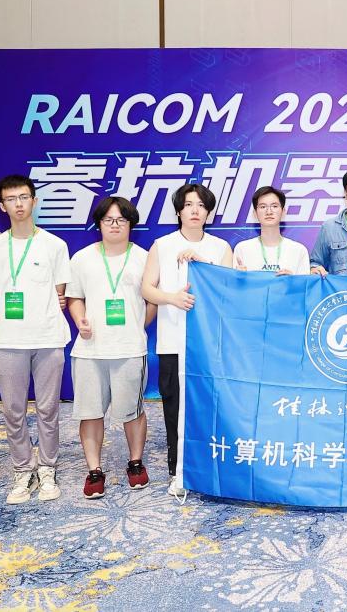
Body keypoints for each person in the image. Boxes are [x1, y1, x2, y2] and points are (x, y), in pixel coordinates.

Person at [0, 174, 71, 503]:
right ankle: (22, 470)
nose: (18, 204)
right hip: (9, 341)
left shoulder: (55, 245)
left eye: (24, 197)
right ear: (2, 206)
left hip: (48, 339)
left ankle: (47, 468)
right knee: (14, 410)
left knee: (48, 409)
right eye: (11, 199)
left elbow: (59, 292)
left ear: (34, 201)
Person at [141, 184, 232, 497]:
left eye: (201, 205)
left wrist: (202, 263)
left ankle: (209, 470)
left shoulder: (221, 248)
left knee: (209, 408)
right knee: (174, 408)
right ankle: (177, 471)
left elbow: (228, 290)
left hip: (209, 346)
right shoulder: (162, 245)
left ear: (209, 213)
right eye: (189, 204)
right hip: (172, 341)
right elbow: (147, 288)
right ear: (178, 211)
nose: (195, 210)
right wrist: (172, 298)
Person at [67, 196, 156, 498]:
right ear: (99, 224)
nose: (115, 225)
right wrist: (80, 319)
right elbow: (74, 297)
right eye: (108, 220)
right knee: (90, 412)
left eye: (121, 220)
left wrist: (136, 326)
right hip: (89, 350)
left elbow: (152, 301)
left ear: (131, 224)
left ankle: (135, 462)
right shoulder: (82, 258)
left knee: (132, 411)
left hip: (130, 349)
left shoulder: (145, 258)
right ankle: (94, 470)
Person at [232, 186, 310, 274]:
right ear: (255, 213)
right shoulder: (242, 248)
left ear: (283, 211)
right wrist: (240, 278)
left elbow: (304, 282)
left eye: (274, 206)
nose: (269, 212)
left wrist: (292, 280)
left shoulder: (299, 250)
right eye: (263, 207)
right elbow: (233, 282)